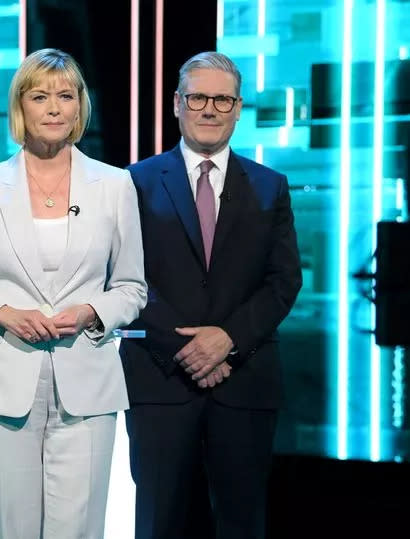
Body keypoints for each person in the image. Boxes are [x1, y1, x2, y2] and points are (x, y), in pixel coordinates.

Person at [0, 48, 147, 538]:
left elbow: (133, 289)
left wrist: (92, 310)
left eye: (65, 96)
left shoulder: (115, 185)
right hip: (2, 380)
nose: (53, 107)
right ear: (21, 107)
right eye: (40, 96)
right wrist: (2, 312)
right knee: (16, 529)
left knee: (80, 530)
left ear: (79, 107)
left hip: (87, 385)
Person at [120, 51, 302, 539]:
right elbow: (123, 275)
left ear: (238, 108)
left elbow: (284, 280)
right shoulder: (133, 183)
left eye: (222, 99)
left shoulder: (269, 186)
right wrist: (187, 347)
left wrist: (228, 339)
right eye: (198, 97)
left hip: (245, 380)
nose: (209, 108)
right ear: (177, 104)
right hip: (159, 381)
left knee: (242, 524)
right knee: (158, 522)